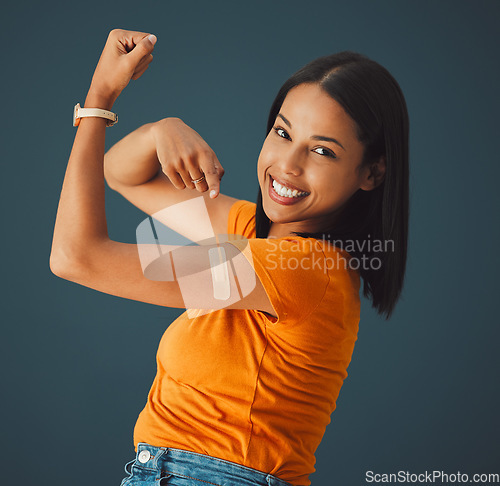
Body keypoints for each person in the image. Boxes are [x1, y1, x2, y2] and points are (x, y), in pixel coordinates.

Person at [50, 28, 409, 486]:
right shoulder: (253, 233)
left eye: (322, 150)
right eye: (283, 132)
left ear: (371, 173)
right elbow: (123, 175)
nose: (288, 165)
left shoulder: (297, 270)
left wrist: (100, 95)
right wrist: (162, 130)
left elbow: (75, 257)